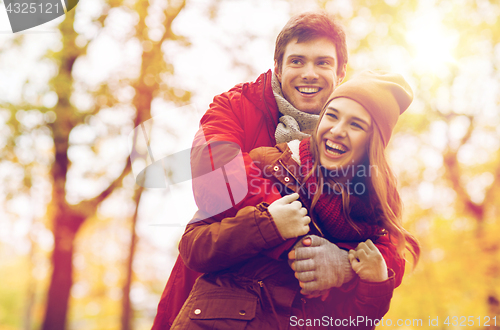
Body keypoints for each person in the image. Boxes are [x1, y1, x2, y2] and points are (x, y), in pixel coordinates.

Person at [151, 12, 405, 329]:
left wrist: (343, 263)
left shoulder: (359, 144)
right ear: (278, 66)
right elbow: (214, 176)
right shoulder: (235, 105)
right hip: (221, 303)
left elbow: (389, 246)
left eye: (323, 63)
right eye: (297, 61)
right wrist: (293, 230)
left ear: (340, 72)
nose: (309, 74)